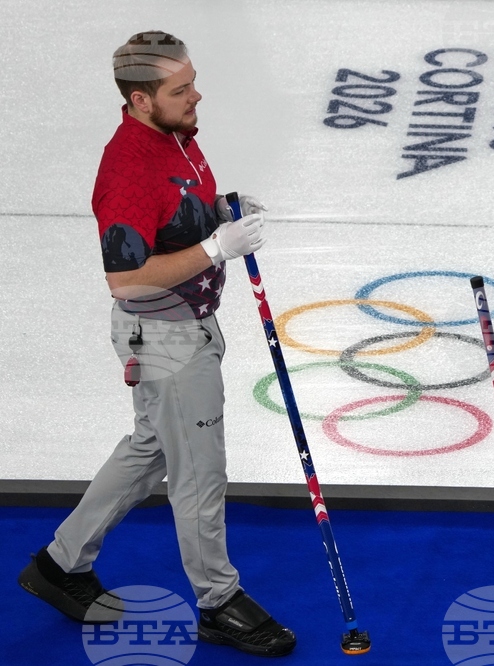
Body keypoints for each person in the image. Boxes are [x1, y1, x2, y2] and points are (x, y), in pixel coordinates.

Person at [17, 31, 296, 657]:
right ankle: (218, 600)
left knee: (150, 448)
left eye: (192, 79)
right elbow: (126, 278)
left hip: (187, 324)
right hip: (167, 336)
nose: (197, 95)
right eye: (181, 89)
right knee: (199, 473)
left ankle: (61, 564)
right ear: (141, 100)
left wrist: (218, 211)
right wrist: (216, 249)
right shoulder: (130, 171)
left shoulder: (173, 137)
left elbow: (176, 213)